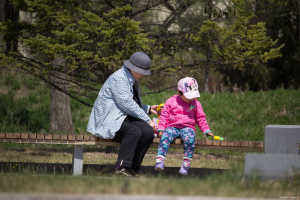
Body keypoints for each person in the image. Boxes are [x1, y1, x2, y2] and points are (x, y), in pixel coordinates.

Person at [87, 51, 158, 176]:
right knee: (134, 131)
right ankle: (121, 167)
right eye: (142, 72)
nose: (143, 75)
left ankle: (132, 169)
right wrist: (148, 120)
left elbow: (131, 102)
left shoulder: (131, 78)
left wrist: (148, 108)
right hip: (109, 119)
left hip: (122, 117)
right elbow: (126, 104)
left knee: (148, 132)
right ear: (133, 68)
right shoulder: (119, 78)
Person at [154, 77, 214, 175]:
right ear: (180, 92)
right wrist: (161, 128)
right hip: (172, 126)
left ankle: (186, 164)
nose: (192, 98)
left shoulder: (196, 104)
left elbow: (200, 118)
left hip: (187, 127)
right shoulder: (171, 101)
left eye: (193, 95)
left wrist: (206, 130)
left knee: (190, 139)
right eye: (189, 95)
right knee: (165, 137)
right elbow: (164, 116)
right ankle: (160, 160)